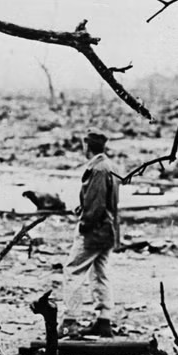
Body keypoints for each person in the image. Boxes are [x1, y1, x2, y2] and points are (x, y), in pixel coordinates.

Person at [60, 131, 121, 338]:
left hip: (94, 231)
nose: (82, 149)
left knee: (73, 271)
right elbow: (104, 202)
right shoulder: (109, 167)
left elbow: (96, 204)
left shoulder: (97, 169)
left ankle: (70, 321)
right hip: (108, 230)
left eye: (84, 145)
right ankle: (104, 320)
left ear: (88, 147)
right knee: (100, 272)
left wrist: (84, 224)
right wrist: (83, 209)